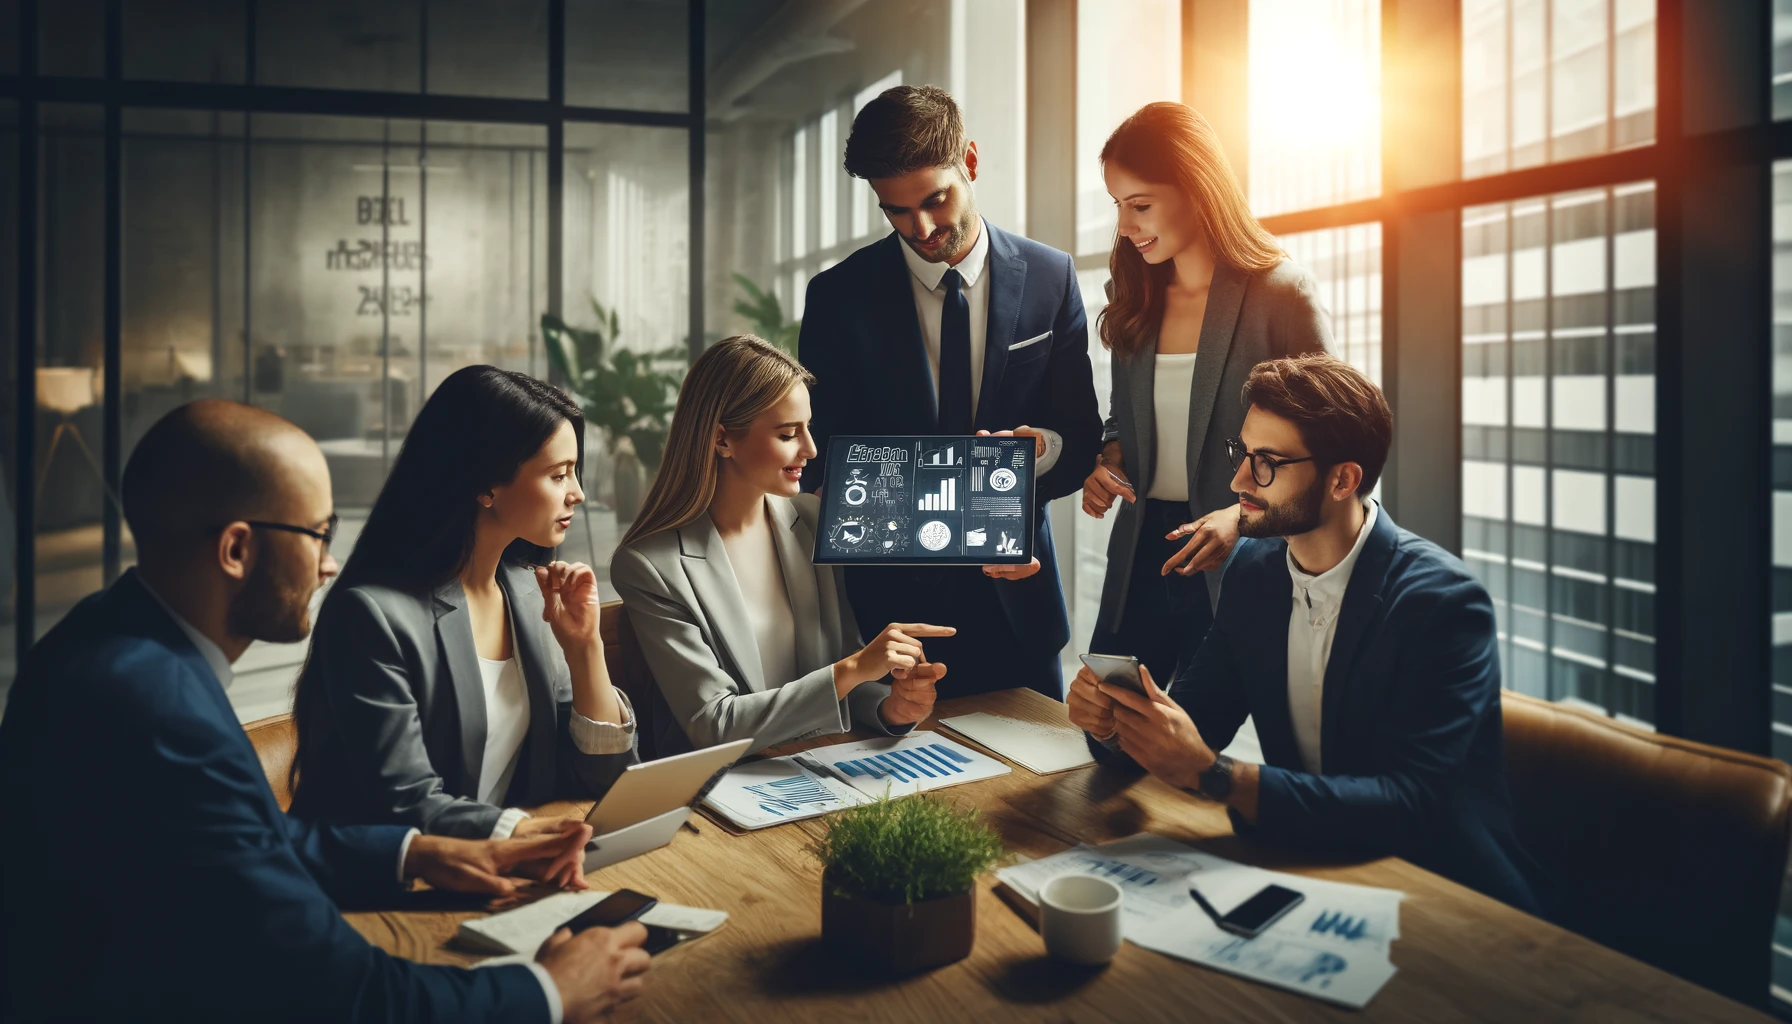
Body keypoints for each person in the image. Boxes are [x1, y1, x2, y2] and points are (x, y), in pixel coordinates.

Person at [0, 400, 650, 1023]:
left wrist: (415, 854)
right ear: (236, 549)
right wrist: (550, 990)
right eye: (319, 533)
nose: (331, 562)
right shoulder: (157, 710)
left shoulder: (114, 635)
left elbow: (247, 840)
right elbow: (348, 995)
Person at [1068, 355, 1548, 916]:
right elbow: (1198, 725)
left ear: (1343, 479)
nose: (1239, 481)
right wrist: (1115, 724)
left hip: (1446, 899)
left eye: (1267, 463)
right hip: (1306, 869)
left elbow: (1411, 807)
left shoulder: (1442, 603)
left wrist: (1215, 776)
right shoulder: (1254, 571)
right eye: (1242, 454)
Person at [799, 84, 1102, 701]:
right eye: (898, 212)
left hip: (1020, 602)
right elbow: (821, 454)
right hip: (891, 622)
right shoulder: (837, 296)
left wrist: (1036, 453)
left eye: (936, 200)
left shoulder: (1051, 276)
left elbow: (1080, 435)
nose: (924, 227)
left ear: (969, 160)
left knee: (1046, 792)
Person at [291, 366, 637, 840]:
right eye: (559, 475)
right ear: (486, 485)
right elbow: (403, 802)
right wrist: (520, 836)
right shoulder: (374, 617)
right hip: (387, 891)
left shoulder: (529, 594)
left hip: (500, 869)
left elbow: (603, 777)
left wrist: (585, 649)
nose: (578, 493)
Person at [1080, 101, 1332, 689]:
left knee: (1191, 743)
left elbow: (1333, 441)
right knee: (1107, 725)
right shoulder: (1134, 292)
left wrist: (1243, 521)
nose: (1124, 226)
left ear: (1197, 190)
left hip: (1240, 553)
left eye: (1140, 205)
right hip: (1145, 545)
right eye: (1118, 206)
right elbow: (1126, 415)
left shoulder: (1283, 293)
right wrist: (1110, 458)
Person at [611, 336, 950, 756]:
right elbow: (713, 724)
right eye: (789, 433)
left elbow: (840, 681)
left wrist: (890, 707)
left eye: (808, 428)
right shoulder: (649, 565)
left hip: (819, 765)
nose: (809, 449)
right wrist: (855, 669)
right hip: (724, 788)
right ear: (722, 440)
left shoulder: (811, 521)